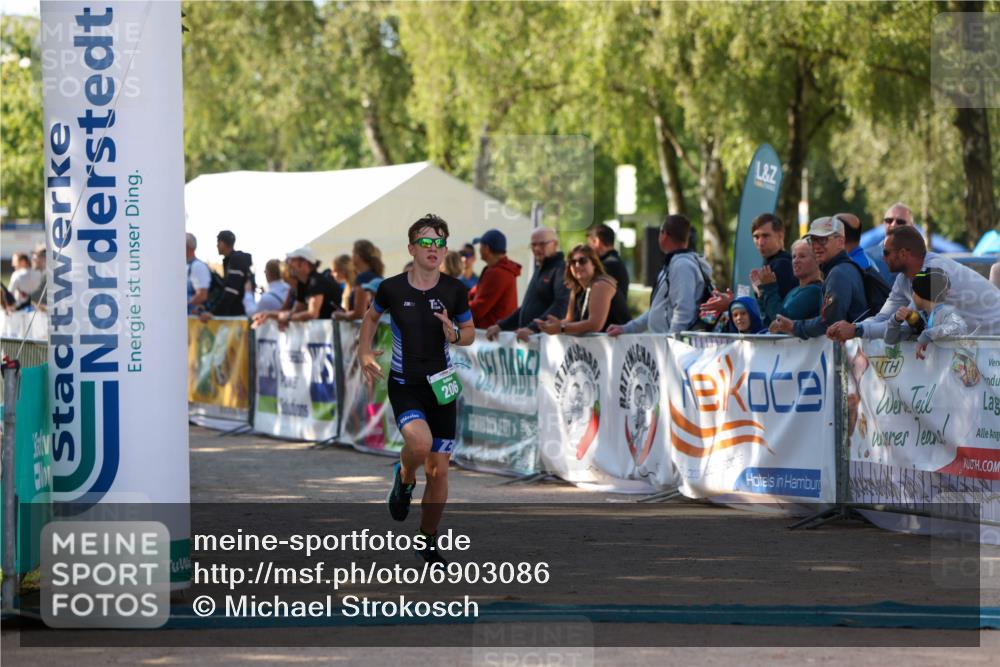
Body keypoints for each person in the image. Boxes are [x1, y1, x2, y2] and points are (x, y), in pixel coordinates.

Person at [357, 214, 474, 565]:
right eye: (426, 242)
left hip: (442, 387)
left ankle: (427, 538)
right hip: (406, 383)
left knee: (439, 470)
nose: (434, 249)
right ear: (412, 248)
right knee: (420, 445)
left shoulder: (455, 290)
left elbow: (469, 334)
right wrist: (364, 350)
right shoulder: (392, 287)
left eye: (440, 243)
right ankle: (404, 475)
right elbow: (371, 318)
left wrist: (452, 333)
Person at [827, 225, 1000, 342]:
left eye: (886, 252)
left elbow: (904, 327)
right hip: (981, 345)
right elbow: (883, 318)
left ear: (903, 254)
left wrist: (856, 331)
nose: (882, 257)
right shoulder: (904, 279)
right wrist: (854, 327)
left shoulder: (933, 273)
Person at [608, 214, 712, 337]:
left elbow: (684, 309)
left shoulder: (682, 266)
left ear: (664, 234)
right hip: (665, 344)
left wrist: (671, 341)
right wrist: (627, 329)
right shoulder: (674, 265)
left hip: (674, 348)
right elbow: (657, 309)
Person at [770, 216, 868, 339]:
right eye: (812, 240)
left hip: (852, 353)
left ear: (840, 242)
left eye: (823, 240)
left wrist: (793, 327)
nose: (816, 246)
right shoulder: (842, 269)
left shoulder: (838, 273)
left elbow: (829, 322)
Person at [700, 213, 794, 323]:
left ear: (780, 235)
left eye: (765, 236)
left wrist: (732, 304)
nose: (760, 242)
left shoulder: (783, 265)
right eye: (756, 237)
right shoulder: (773, 263)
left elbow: (776, 315)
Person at [484, 226, 569, 342]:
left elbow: (561, 305)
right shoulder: (540, 268)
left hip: (546, 343)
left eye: (542, 244)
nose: (537, 248)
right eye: (533, 245)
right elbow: (525, 307)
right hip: (530, 341)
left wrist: (533, 328)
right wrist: (500, 326)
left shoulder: (561, 269)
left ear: (555, 244)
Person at [535, 244, 629, 336]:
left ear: (594, 264)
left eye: (582, 261)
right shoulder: (576, 289)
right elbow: (570, 320)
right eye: (572, 261)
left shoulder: (601, 284)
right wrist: (552, 324)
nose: (577, 265)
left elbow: (595, 325)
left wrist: (561, 328)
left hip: (622, 347)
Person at [886, 268, 967, 359]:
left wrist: (927, 335)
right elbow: (890, 340)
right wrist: (895, 321)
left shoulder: (946, 312)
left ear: (922, 295)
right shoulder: (919, 315)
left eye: (914, 292)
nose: (912, 296)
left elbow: (959, 326)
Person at [252, 247, 341, 329]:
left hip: (334, 333)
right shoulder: (302, 283)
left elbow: (312, 313)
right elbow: (296, 310)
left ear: (303, 263)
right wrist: (268, 315)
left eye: (292, 260)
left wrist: (288, 318)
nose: (289, 263)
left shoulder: (316, 281)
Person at [759, 239, 823, 323]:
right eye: (794, 257)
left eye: (802, 256)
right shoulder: (794, 291)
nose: (796, 261)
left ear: (817, 261)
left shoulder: (814, 291)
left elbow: (782, 321)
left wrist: (769, 288)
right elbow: (769, 319)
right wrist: (761, 293)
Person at [468, 228, 521, 328]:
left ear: (486, 249)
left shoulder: (498, 273)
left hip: (491, 336)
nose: (479, 250)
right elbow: (473, 293)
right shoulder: (496, 269)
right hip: (493, 333)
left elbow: (478, 309)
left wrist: (453, 308)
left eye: (481, 246)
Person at [336, 240, 385, 322]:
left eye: (353, 254)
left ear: (358, 256)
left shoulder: (363, 278)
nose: (352, 257)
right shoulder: (377, 276)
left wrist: (341, 315)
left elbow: (359, 313)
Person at [209, 230, 252, 317]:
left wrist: (214, 313)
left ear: (223, 243)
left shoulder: (236, 260)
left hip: (236, 316)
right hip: (234, 315)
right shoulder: (230, 260)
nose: (217, 245)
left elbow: (231, 291)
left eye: (218, 242)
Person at [865, 202, 913, 281]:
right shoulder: (868, 258)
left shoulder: (922, 259)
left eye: (900, 222)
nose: (893, 225)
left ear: (911, 227)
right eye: (889, 220)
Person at [586, 223, 630, 305]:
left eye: (590, 243)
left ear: (597, 241)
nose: (589, 248)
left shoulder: (608, 265)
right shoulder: (615, 262)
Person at [186, 233, 212, 315]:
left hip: (195, 319)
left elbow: (202, 295)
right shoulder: (186, 265)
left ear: (189, 247)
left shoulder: (198, 266)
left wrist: (182, 306)